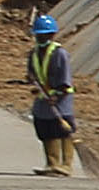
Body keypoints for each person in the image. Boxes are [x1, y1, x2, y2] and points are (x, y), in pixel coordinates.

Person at [28, 12, 77, 176]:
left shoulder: (59, 54)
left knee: (62, 129)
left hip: (61, 99)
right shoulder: (34, 53)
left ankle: (66, 165)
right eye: (38, 35)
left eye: (44, 35)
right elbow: (32, 73)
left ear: (52, 34)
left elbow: (65, 79)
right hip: (43, 99)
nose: (41, 38)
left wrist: (57, 95)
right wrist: (33, 82)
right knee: (44, 127)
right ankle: (52, 163)